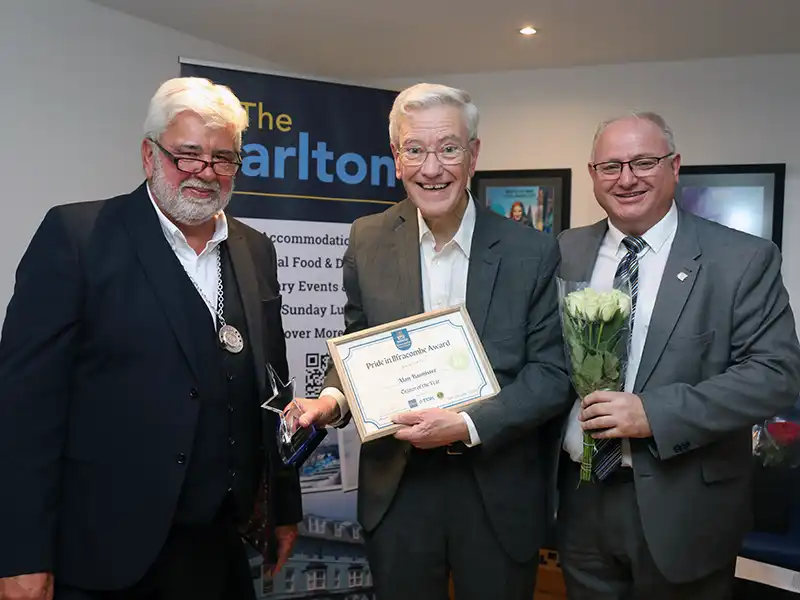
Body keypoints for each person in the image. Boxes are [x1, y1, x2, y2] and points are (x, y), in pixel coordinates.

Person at [0, 77, 301, 600]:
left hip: (220, 549)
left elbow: (274, 389)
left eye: (222, 158)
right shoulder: (78, 237)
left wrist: (283, 507)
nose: (204, 173)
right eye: (187, 155)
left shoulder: (255, 249)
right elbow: (23, 411)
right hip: (102, 557)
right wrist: (20, 554)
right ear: (149, 154)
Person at [289, 82, 570, 600]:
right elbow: (357, 342)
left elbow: (552, 375)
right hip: (399, 490)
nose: (431, 167)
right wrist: (331, 401)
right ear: (396, 158)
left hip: (496, 489)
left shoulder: (532, 250)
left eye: (448, 148)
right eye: (414, 150)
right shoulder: (368, 238)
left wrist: (465, 424)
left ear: (474, 154)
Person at [555, 111, 800, 599]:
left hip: (685, 506)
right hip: (581, 502)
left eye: (643, 162)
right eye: (611, 166)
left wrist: (654, 412)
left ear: (675, 165)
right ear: (592, 175)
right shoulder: (565, 249)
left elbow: (777, 375)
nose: (627, 179)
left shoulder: (741, 258)